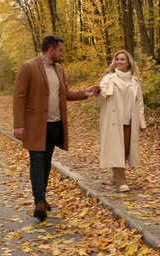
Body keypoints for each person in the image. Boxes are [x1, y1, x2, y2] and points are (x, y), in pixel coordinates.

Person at [13, 34, 100, 221]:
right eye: (60, 50)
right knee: (37, 161)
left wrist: (85, 93)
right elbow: (19, 97)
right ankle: (38, 203)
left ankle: (42, 198)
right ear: (51, 49)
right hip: (35, 126)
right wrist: (18, 125)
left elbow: (65, 93)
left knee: (46, 162)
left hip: (55, 125)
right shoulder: (28, 67)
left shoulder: (59, 69)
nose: (62, 54)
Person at [97, 50, 146, 192]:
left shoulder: (135, 81)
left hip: (129, 120)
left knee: (124, 151)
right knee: (116, 150)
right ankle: (121, 180)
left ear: (128, 62)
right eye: (117, 59)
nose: (118, 62)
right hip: (113, 120)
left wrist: (142, 123)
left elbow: (140, 103)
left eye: (122, 59)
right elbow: (102, 96)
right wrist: (98, 92)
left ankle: (115, 176)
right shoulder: (108, 78)